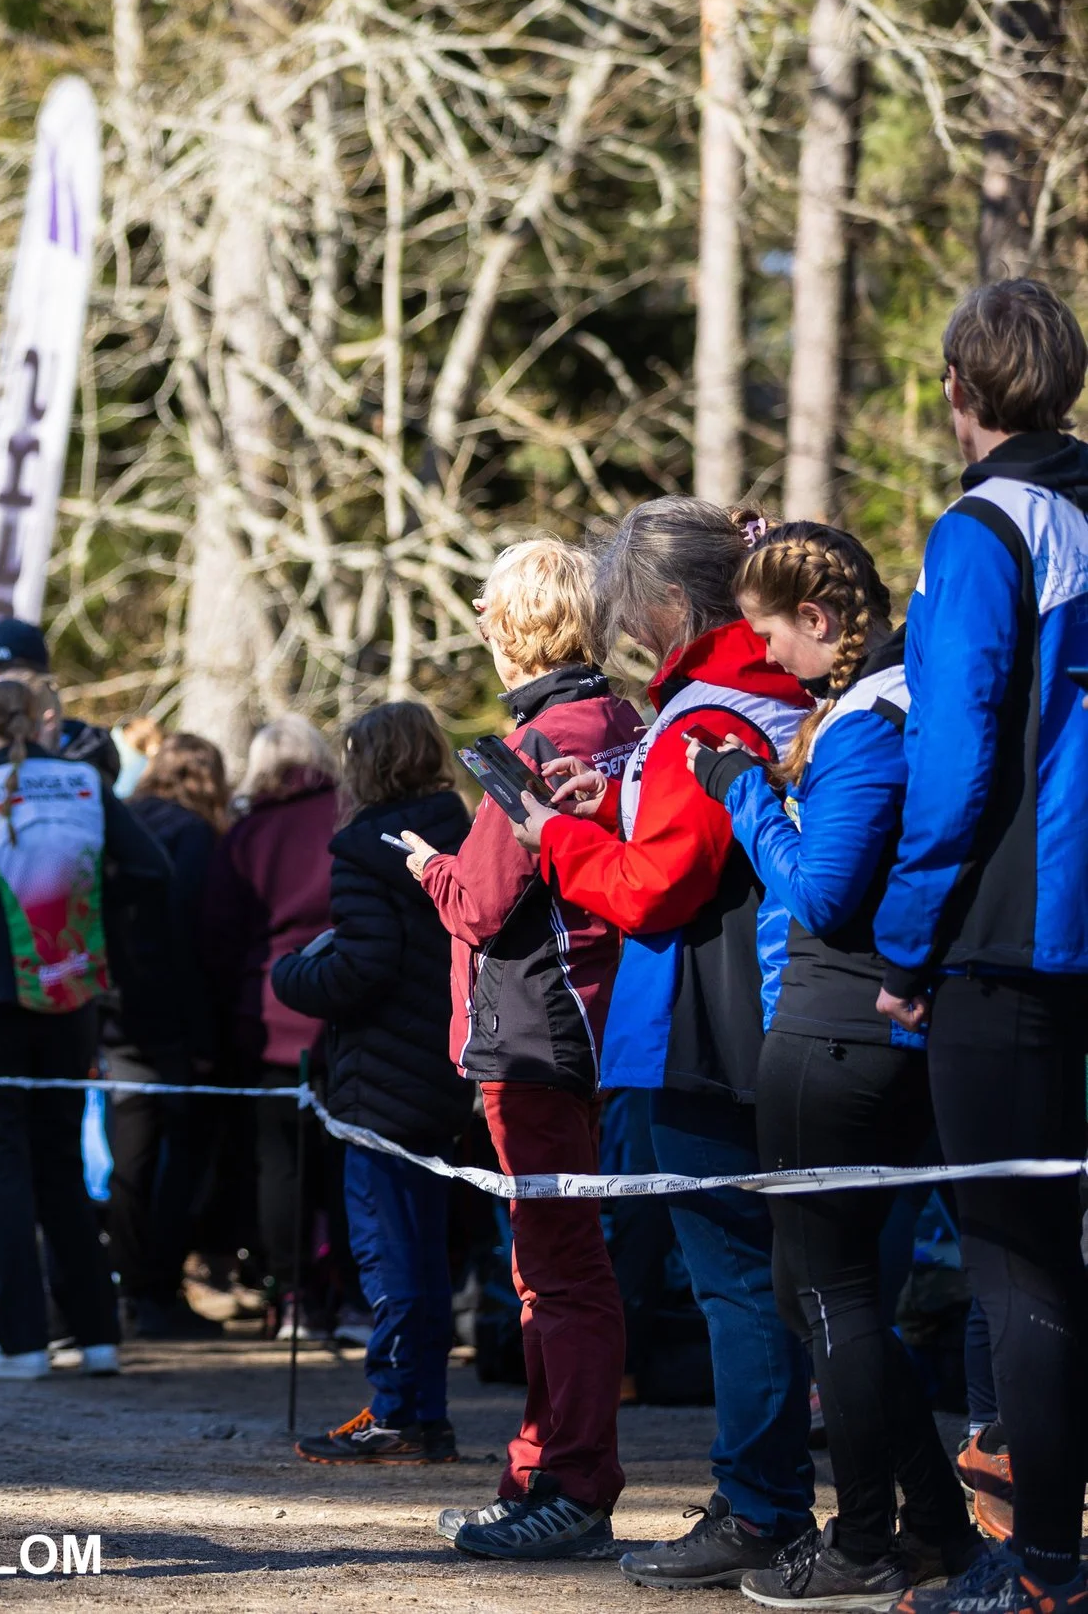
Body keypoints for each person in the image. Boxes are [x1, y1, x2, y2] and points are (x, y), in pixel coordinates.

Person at [519, 497, 816, 1590]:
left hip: (706, 1027)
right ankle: (768, 1496)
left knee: (736, 1283)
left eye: (625, 609)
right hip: (744, 1019)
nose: (622, 633)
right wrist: (608, 800)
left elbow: (654, 890)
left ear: (661, 601)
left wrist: (553, 838)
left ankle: (757, 1503)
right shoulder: (755, 694)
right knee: (768, 1279)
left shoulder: (707, 712)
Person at [688, 522, 987, 1607]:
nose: (767, 659)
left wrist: (739, 788)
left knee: (829, 1294)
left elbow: (817, 888)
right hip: (871, 1033)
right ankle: (936, 1528)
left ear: (819, 621)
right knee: (834, 1293)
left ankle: (863, 1539)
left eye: (773, 635)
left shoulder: (870, 723)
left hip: (833, 1033)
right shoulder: (910, 708)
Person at [873, 280, 1088, 1614]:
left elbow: (950, 767)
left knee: (1020, 1261)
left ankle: (1046, 1564)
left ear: (958, 391)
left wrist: (904, 945)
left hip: (1014, 943)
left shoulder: (983, 528)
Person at [406, 539, 642, 1559]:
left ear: (512, 625)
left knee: (560, 1273)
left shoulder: (540, 740)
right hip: (601, 1023)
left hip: (537, 1032)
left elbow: (482, 901)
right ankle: (536, 1468)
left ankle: (573, 1485)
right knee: (551, 1267)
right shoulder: (626, 718)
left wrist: (423, 863)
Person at [0, 672, 167, 1380]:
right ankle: (96, 1336)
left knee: (0, 1172)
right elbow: (154, 866)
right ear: (42, 717)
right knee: (59, 1166)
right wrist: (91, 913)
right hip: (74, 996)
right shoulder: (88, 784)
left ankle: (20, 1340)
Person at [272, 702, 473, 1463]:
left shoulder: (364, 848)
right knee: (423, 1250)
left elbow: (364, 965)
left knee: (389, 1253)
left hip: (382, 1082)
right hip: (442, 1066)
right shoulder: (461, 826)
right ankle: (424, 1412)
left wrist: (293, 976)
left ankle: (396, 1410)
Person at [202, 714, 338, 1334]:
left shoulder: (247, 833)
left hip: (267, 1015)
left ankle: (294, 1299)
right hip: (341, 1008)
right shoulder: (349, 813)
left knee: (279, 1165)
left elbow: (220, 936)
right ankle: (345, 1296)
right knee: (343, 1161)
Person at [104, 732, 231, 1340]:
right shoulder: (197, 836)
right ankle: (157, 1289)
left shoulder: (123, 820)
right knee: (179, 1161)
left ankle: (133, 1287)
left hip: (117, 1012)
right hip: (177, 1021)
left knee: (129, 1158)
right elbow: (199, 937)